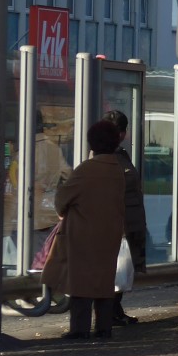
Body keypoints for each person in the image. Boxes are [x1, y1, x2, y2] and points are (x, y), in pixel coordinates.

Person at [41, 120, 127, 340]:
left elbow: (62, 199)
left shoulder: (87, 169)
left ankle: (79, 330)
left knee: (81, 285)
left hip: (83, 235)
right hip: (109, 234)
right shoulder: (117, 170)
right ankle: (104, 328)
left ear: (93, 144)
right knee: (104, 282)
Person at [104, 109, 148, 325]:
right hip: (118, 223)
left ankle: (115, 310)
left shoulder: (121, 154)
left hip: (129, 222)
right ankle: (110, 313)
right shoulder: (105, 156)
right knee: (117, 270)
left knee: (123, 271)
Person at [32, 110, 70, 267]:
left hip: (29, 213)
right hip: (49, 211)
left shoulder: (22, 149)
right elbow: (68, 174)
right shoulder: (54, 148)